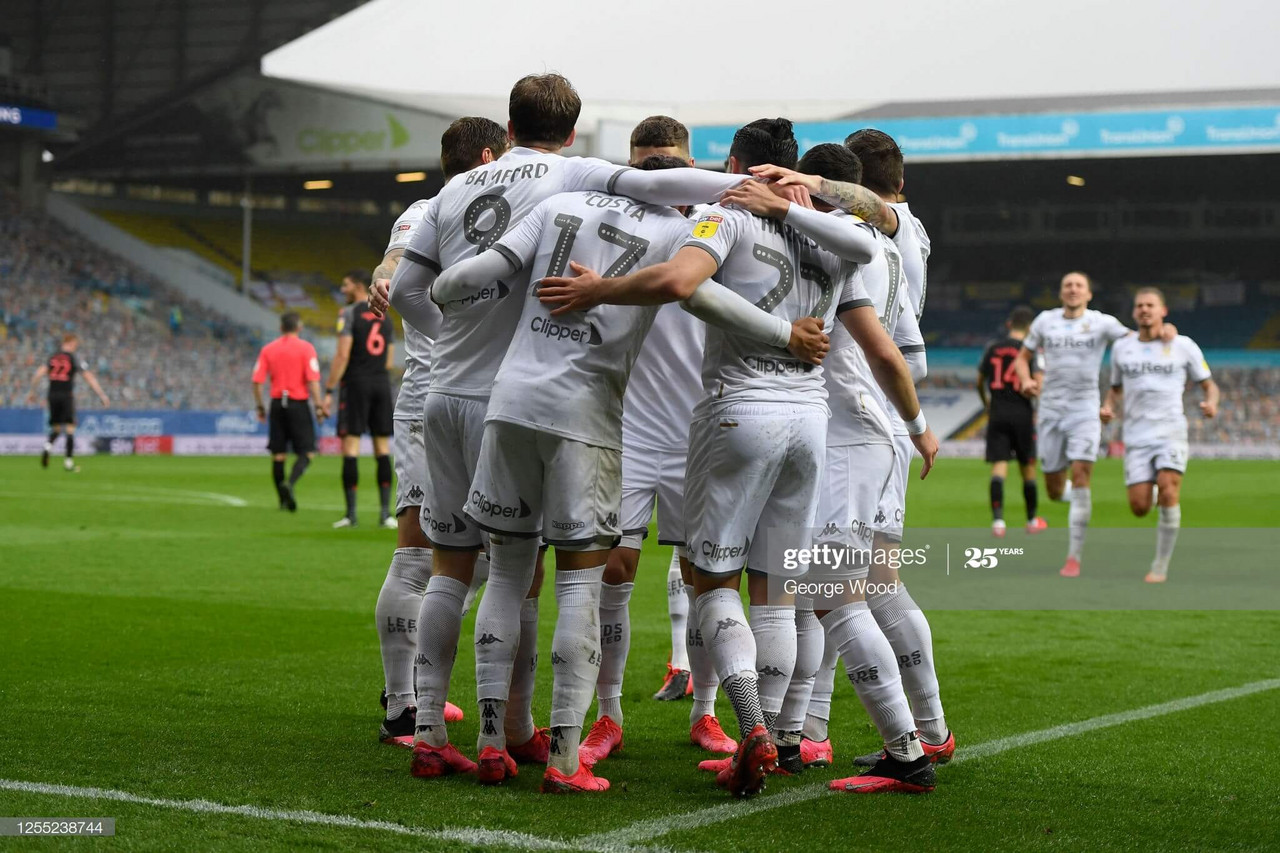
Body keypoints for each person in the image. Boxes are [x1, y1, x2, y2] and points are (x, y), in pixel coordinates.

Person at [538, 118, 937, 798]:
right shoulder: (840, 239)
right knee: (784, 597)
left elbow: (681, 283)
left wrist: (598, 289)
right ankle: (792, 734)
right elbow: (867, 246)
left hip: (739, 411)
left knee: (719, 583)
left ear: (731, 166)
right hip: (812, 424)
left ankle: (756, 727)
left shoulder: (727, 219)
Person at [384, 73, 753, 785]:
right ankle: (560, 753)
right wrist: (750, 194)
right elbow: (695, 290)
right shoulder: (584, 184)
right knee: (577, 581)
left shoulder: (469, 193)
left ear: (509, 121)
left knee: (462, 567)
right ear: (575, 130)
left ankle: (455, 729)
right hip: (574, 410)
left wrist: (449, 315)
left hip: (467, 393)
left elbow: (426, 285)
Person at [717, 144, 948, 793]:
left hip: (851, 436)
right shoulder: (878, 243)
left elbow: (884, 351)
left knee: (839, 598)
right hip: (857, 434)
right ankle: (818, 732)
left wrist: (917, 425)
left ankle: (906, 752)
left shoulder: (853, 243)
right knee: (838, 595)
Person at [584, 117, 736, 766]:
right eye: (645, 163)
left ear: (690, 163)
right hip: (625, 426)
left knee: (706, 575)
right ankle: (609, 713)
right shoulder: (607, 221)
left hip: (698, 426)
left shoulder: (718, 227)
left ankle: (705, 713)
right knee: (612, 567)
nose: (656, 174)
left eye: (667, 162)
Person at [367, 117, 510, 748]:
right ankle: (403, 703)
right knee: (422, 555)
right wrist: (387, 273)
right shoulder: (428, 208)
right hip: (438, 399)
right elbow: (398, 259)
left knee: (471, 560)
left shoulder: (495, 210)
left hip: (474, 400)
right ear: (487, 156)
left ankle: (419, 689)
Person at [1014, 272, 1177, 577]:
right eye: (1067, 286)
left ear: (1088, 294)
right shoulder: (1045, 321)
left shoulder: (1102, 322)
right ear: (1061, 293)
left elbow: (1139, 336)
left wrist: (1163, 329)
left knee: (1080, 475)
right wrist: (1024, 379)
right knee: (1052, 487)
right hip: (1050, 411)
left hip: (1085, 410)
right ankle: (1081, 500)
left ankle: (1073, 557)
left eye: (1079, 286)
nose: (1073, 290)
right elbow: (1022, 358)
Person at [1101, 288, 1218, 583]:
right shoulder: (1122, 348)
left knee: (1169, 488)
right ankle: (1150, 491)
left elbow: (1209, 385)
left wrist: (1212, 403)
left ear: (1163, 310)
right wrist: (1107, 406)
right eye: (1139, 305)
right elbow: (1115, 389)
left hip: (1170, 431)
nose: (1144, 310)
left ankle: (1160, 567)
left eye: (1150, 305)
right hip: (1137, 435)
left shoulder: (1183, 345)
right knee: (1139, 507)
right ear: (1133, 313)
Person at [324, 270, 396, 529]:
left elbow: (342, 356)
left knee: (351, 448)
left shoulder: (349, 314)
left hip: (356, 384)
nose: (342, 290)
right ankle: (386, 515)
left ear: (356, 285)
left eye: (344, 285)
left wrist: (329, 390)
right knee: (382, 449)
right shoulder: (385, 317)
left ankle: (351, 515)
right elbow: (389, 359)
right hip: (380, 383)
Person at [978, 306, 1047, 537]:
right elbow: (1038, 384)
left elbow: (980, 380)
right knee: (1027, 468)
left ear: (1009, 324)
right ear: (1030, 328)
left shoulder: (993, 348)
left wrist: (986, 401)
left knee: (999, 467)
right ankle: (1031, 520)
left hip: (997, 412)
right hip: (1022, 414)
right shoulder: (1030, 350)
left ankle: (998, 522)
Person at [251, 313, 324, 509]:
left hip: (276, 404)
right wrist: (318, 406)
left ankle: (282, 502)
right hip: (298, 403)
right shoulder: (306, 348)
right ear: (299, 328)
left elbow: (257, 382)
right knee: (307, 452)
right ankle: (289, 484)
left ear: (281, 328)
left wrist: (260, 406)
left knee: (279, 455)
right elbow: (313, 380)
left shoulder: (268, 349)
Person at [27, 332, 109, 471]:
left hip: (52, 395)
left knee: (57, 428)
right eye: (75, 345)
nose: (75, 347)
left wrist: (32, 392)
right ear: (70, 343)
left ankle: (47, 447)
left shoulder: (52, 357)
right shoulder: (73, 358)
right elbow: (88, 377)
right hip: (66, 395)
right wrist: (101, 395)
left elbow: (38, 373)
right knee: (70, 428)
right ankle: (68, 462)